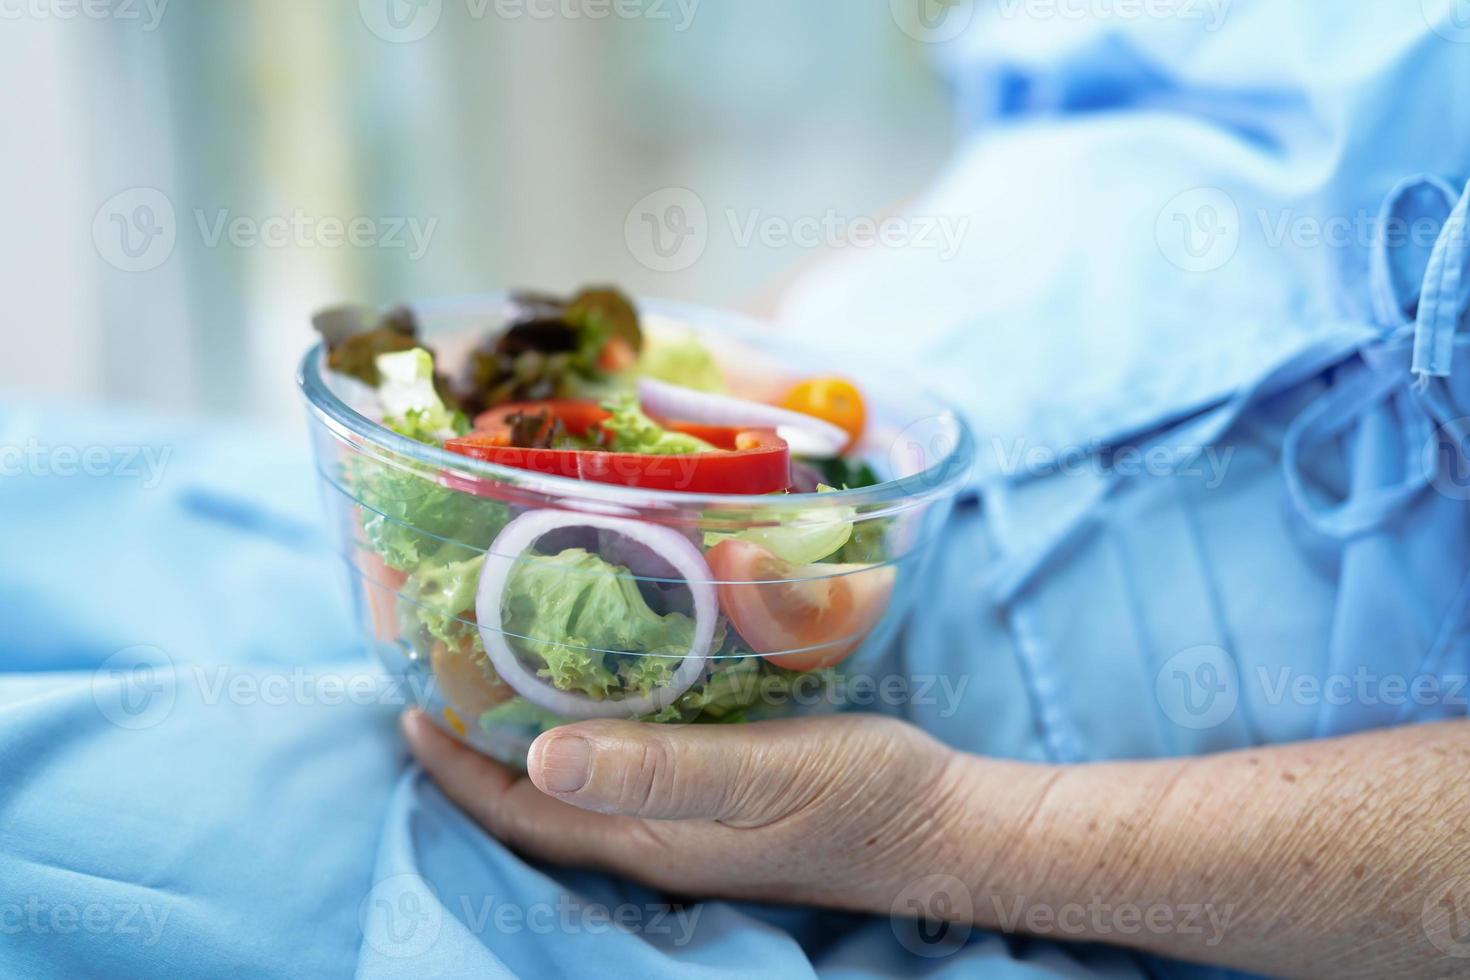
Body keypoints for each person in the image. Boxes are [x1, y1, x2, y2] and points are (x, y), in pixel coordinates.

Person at [402, 4, 1470, 977]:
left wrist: (933, 831)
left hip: (1009, 897)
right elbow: (1043, 121)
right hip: (633, 652)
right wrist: (678, 386)